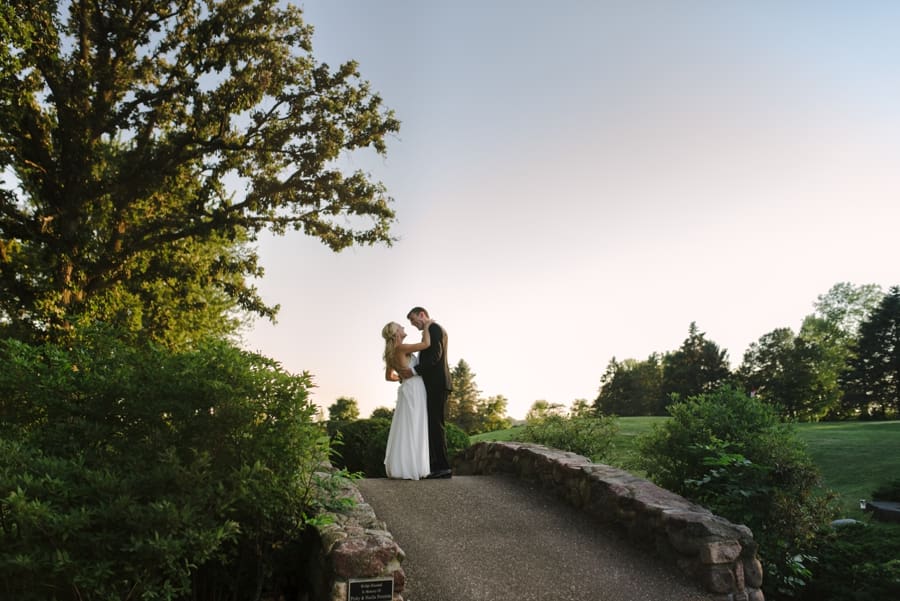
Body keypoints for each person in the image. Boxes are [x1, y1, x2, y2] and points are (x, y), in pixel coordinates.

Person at [400, 307, 452, 479]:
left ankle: (443, 467)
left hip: (437, 384)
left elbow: (435, 356)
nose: (414, 325)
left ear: (422, 314)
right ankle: (436, 465)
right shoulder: (430, 330)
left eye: (414, 320)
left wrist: (414, 371)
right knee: (433, 425)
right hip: (433, 385)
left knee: (436, 426)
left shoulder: (435, 328)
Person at [381, 320, 432, 480]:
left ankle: (404, 466)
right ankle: (413, 466)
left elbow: (389, 377)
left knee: (407, 426)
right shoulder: (402, 347)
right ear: (396, 333)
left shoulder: (390, 354)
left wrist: (401, 377)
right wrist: (428, 325)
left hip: (406, 388)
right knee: (414, 425)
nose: (403, 327)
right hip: (414, 388)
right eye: (400, 326)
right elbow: (426, 343)